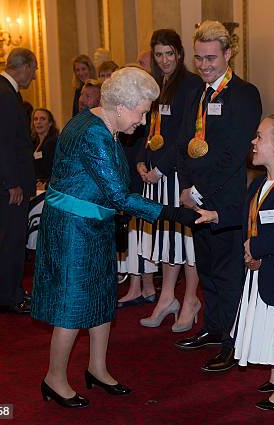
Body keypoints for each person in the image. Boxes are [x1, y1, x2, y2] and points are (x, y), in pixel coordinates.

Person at [31, 67, 196, 408]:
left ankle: (97, 369)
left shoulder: (96, 123)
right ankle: (54, 378)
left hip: (93, 225)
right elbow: (119, 196)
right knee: (72, 305)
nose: (143, 120)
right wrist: (173, 213)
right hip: (73, 229)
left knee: (103, 298)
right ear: (122, 106)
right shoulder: (94, 134)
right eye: (142, 111)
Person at [196, 114, 274, 410]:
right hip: (263, 273)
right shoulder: (262, 183)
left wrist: (258, 246)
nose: (253, 141)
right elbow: (244, 212)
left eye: (260, 136)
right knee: (268, 324)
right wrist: (217, 215)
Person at [174, 20, 262, 373]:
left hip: (223, 199)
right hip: (195, 198)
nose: (205, 65)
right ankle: (213, 328)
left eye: (211, 58)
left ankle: (232, 340)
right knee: (206, 268)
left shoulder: (244, 93)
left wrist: (198, 190)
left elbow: (234, 152)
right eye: (199, 58)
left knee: (228, 275)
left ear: (228, 54)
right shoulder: (197, 93)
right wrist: (186, 186)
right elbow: (184, 142)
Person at [126, 29, 204, 332]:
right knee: (167, 241)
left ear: (180, 54)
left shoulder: (191, 84)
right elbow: (147, 128)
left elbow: (187, 134)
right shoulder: (156, 85)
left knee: (185, 240)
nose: (164, 60)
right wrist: (142, 160)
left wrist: (161, 167)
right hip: (154, 172)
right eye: (158, 55)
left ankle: (190, 300)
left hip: (176, 173)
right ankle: (167, 296)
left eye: (169, 53)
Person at [0, 47, 38, 314]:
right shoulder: (4, 94)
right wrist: (13, 182)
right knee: (13, 240)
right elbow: (3, 144)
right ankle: (11, 296)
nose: (34, 76)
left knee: (12, 239)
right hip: (10, 184)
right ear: (23, 66)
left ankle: (11, 293)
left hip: (7, 180)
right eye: (34, 69)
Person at [31, 108, 59, 190]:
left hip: (50, 187)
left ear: (50, 123)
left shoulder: (52, 142)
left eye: (42, 119)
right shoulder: (33, 142)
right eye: (36, 119)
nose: (38, 122)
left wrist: (46, 184)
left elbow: (56, 169)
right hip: (37, 186)